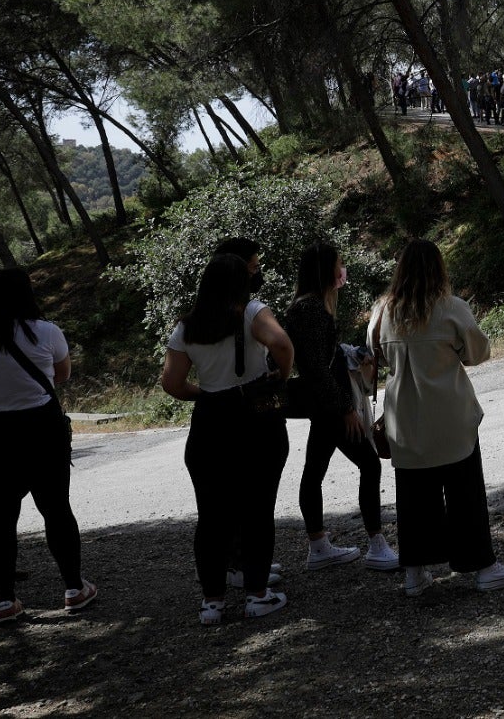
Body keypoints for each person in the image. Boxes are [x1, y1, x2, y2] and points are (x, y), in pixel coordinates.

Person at [371, 240, 504, 597]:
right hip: (451, 417)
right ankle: (484, 567)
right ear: (439, 268)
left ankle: (415, 574)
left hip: (404, 421)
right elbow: (478, 352)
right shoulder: (451, 308)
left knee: (412, 499)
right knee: (465, 492)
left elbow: (372, 353)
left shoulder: (383, 312)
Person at [161, 254, 294, 625]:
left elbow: (171, 382)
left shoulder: (188, 326)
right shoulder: (252, 311)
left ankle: (212, 603)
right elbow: (281, 343)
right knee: (257, 507)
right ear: (242, 283)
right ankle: (257, 595)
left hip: (210, 420)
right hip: (255, 411)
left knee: (212, 515)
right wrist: (280, 374)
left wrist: (202, 395)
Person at [0, 269, 97, 623]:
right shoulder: (46, 331)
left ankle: (6, 600)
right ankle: (73, 589)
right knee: (55, 509)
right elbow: (61, 374)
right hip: (39, 427)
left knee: (0, 517)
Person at [286, 242, 398, 575]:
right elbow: (319, 369)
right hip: (330, 406)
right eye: (339, 263)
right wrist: (345, 408)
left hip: (322, 406)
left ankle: (319, 546)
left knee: (314, 470)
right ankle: (376, 544)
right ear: (325, 270)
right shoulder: (313, 310)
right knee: (369, 465)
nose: (342, 269)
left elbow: (321, 358)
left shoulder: (304, 307)